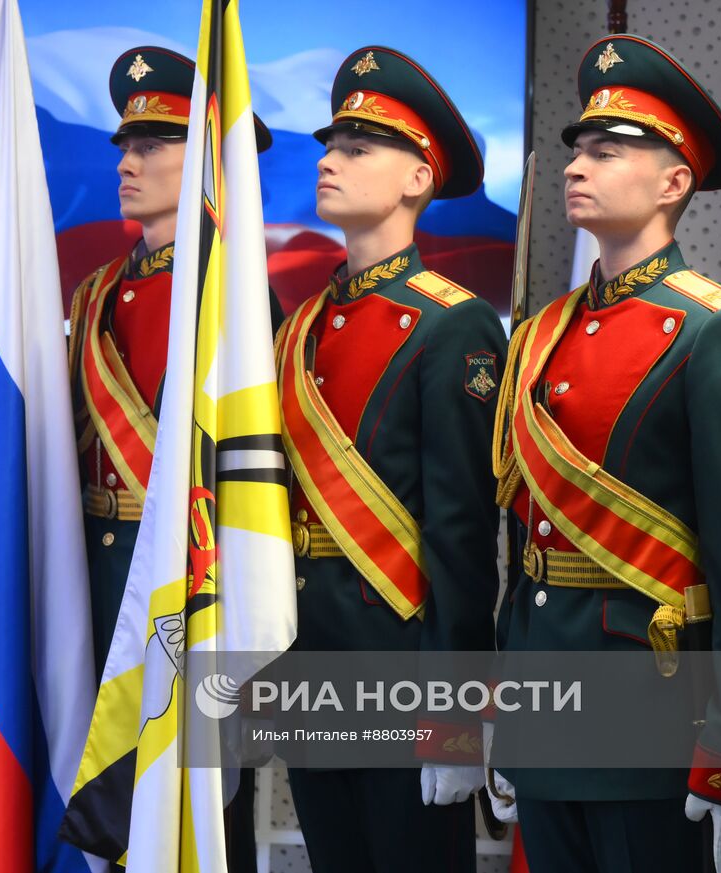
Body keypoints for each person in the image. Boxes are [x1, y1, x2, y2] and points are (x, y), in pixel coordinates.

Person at [489, 34, 721, 873]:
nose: (579, 166)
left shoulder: (718, 331)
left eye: (609, 150)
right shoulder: (540, 334)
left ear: (674, 182)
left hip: (654, 716)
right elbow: (525, 552)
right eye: (578, 149)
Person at [273, 46, 504, 872]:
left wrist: (454, 716)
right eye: (329, 144)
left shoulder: (457, 325)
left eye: (359, 147)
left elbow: (463, 542)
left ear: (417, 178)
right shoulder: (297, 327)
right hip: (305, 662)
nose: (329, 159)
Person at [64, 46, 273, 871]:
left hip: (193, 584)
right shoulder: (95, 295)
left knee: (191, 823)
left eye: (154, 143)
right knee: (105, 818)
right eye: (126, 145)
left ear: (214, 157)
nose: (128, 161)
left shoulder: (243, 299)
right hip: (98, 584)